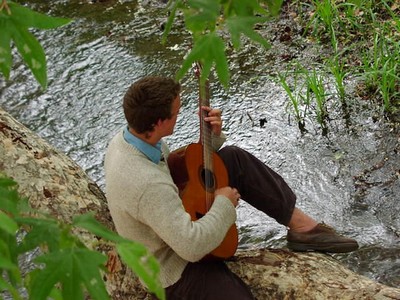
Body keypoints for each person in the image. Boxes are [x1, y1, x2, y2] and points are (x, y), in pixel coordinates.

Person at [104, 76, 359, 299]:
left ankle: (303, 228)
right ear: (159, 122)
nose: (179, 115)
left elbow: (177, 174)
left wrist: (211, 140)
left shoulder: (132, 139)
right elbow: (191, 247)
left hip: (174, 216)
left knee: (233, 158)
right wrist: (224, 204)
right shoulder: (144, 183)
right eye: (176, 113)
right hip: (173, 267)